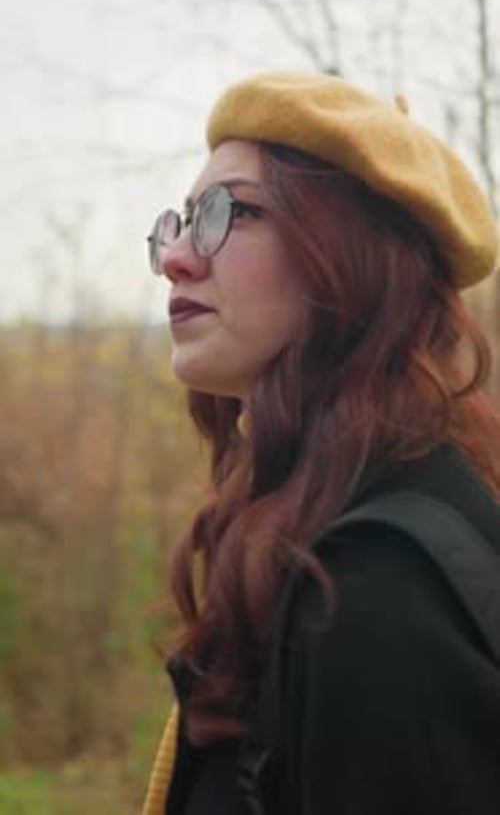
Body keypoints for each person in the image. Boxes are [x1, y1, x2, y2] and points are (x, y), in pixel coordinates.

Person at [142, 72, 500, 815]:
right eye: (180, 219)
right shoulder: (320, 524)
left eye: (223, 213)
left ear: (351, 258)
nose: (176, 256)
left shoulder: (378, 590)